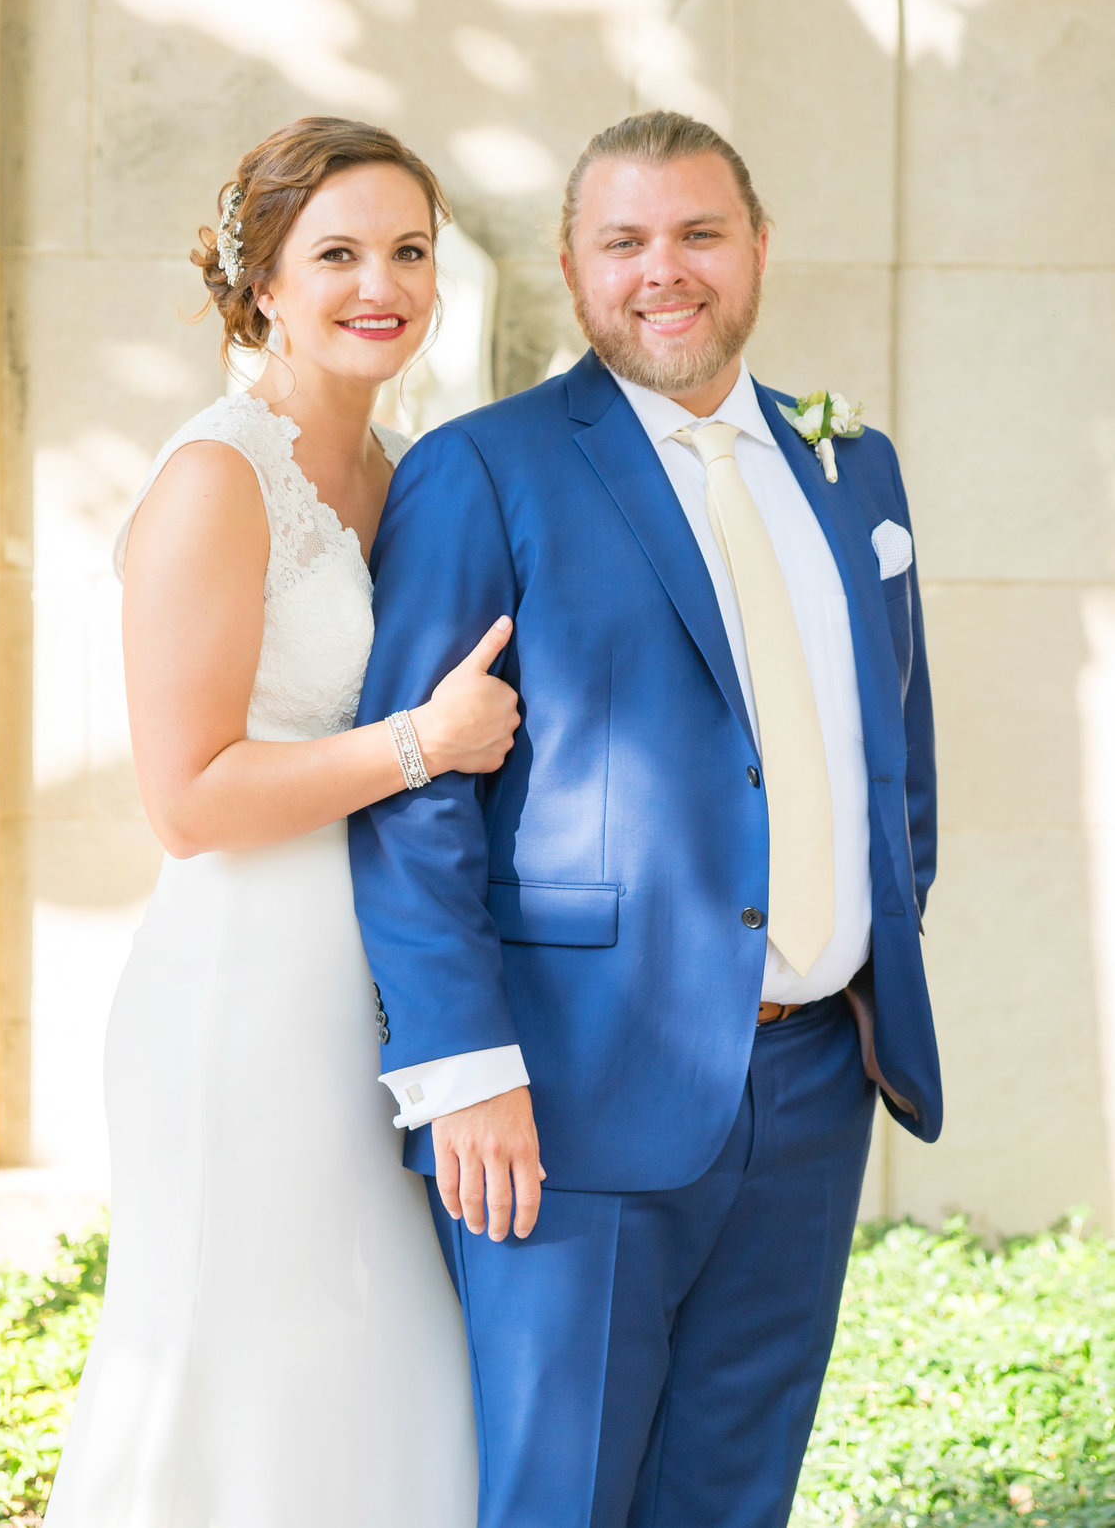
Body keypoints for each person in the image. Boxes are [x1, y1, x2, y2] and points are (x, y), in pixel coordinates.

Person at [351, 110, 942, 1527]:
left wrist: (867, 953)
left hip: (813, 1087)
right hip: (564, 1095)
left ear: (755, 248)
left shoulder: (852, 464)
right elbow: (415, 795)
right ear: (573, 263)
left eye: (696, 232)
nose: (661, 269)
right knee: (562, 1495)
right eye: (623, 240)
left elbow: (897, 753)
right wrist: (462, 1062)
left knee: (736, 1491)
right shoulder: (483, 468)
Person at [42, 117, 517, 1527]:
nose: (384, 282)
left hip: (378, 987)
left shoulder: (408, 468)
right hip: (245, 994)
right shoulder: (216, 476)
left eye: (410, 250)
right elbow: (186, 798)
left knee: (381, 1371)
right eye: (340, 253)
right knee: (248, 1372)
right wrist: (422, 741)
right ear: (260, 283)